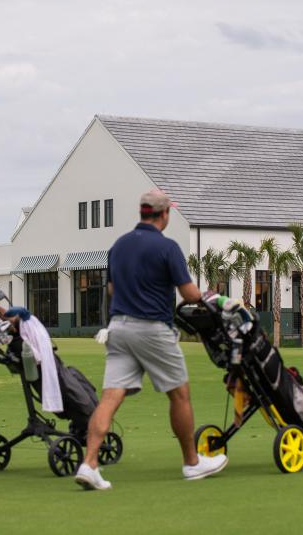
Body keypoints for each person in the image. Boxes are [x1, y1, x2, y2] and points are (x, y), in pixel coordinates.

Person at [75, 189, 228, 490]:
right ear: (164, 214)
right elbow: (189, 294)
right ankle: (192, 463)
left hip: (119, 328)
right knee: (179, 395)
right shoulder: (167, 247)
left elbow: (110, 291)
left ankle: (89, 463)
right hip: (153, 330)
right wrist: (208, 295)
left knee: (109, 398)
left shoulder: (118, 246)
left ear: (142, 212)